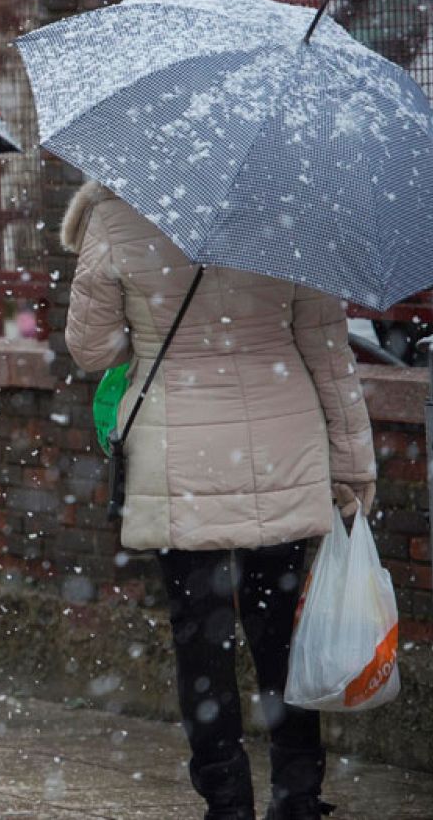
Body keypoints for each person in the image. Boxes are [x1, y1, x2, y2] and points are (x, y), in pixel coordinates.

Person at [61, 181, 377, 820]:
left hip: (179, 452)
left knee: (200, 639)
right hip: (282, 444)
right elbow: (327, 348)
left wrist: (150, 332)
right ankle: (297, 793)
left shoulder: (117, 212)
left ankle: (226, 799)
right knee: (282, 631)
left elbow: (90, 349)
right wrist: (353, 461)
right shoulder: (290, 204)